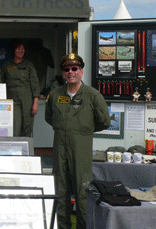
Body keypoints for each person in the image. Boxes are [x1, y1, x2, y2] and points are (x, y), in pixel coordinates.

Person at [45, 53, 110, 229]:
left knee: (83, 191)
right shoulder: (55, 94)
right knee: (60, 189)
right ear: (63, 73)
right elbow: (49, 118)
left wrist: (84, 130)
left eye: (74, 68)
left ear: (81, 71)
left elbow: (105, 121)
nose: (70, 72)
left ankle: (84, 226)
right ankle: (62, 226)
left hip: (81, 147)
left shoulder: (92, 95)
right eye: (66, 69)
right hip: (59, 147)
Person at [0, 40, 40, 137]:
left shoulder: (29, 65)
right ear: (13, 50)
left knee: (27, 125)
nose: (21, 51)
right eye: (18, 48)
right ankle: (16, 149)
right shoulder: (7, 65)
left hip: (27, 99)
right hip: (13, 100)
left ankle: (26, 149)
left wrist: (35, 103)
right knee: (15, 125)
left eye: (22, 48)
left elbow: (35, 84)